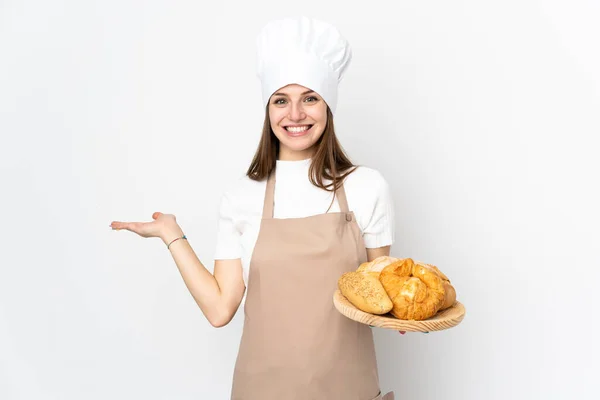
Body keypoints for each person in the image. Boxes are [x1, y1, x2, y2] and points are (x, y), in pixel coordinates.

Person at [111, 17, 398, 400]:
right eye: (281, 100)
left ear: (328, 106)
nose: (295, 115)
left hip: (348, 390)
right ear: (268, 110)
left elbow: (378, 299)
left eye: (309, 98)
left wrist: (403, 311)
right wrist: (171, 235)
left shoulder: (367, 187)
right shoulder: (242, 197)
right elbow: (219, 309)